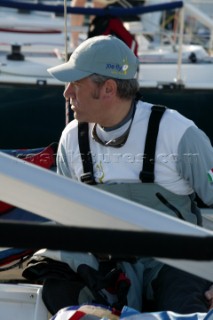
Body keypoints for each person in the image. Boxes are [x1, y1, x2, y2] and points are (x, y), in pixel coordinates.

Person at [31, 35, 213, 314]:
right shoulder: (71, 139)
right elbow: (66, 217)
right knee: (57, 291)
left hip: (175, 263)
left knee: (185, 307)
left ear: (108, 88)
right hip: (106, 263)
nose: (66, 93)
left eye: (75, 83)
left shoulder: (179, 134)